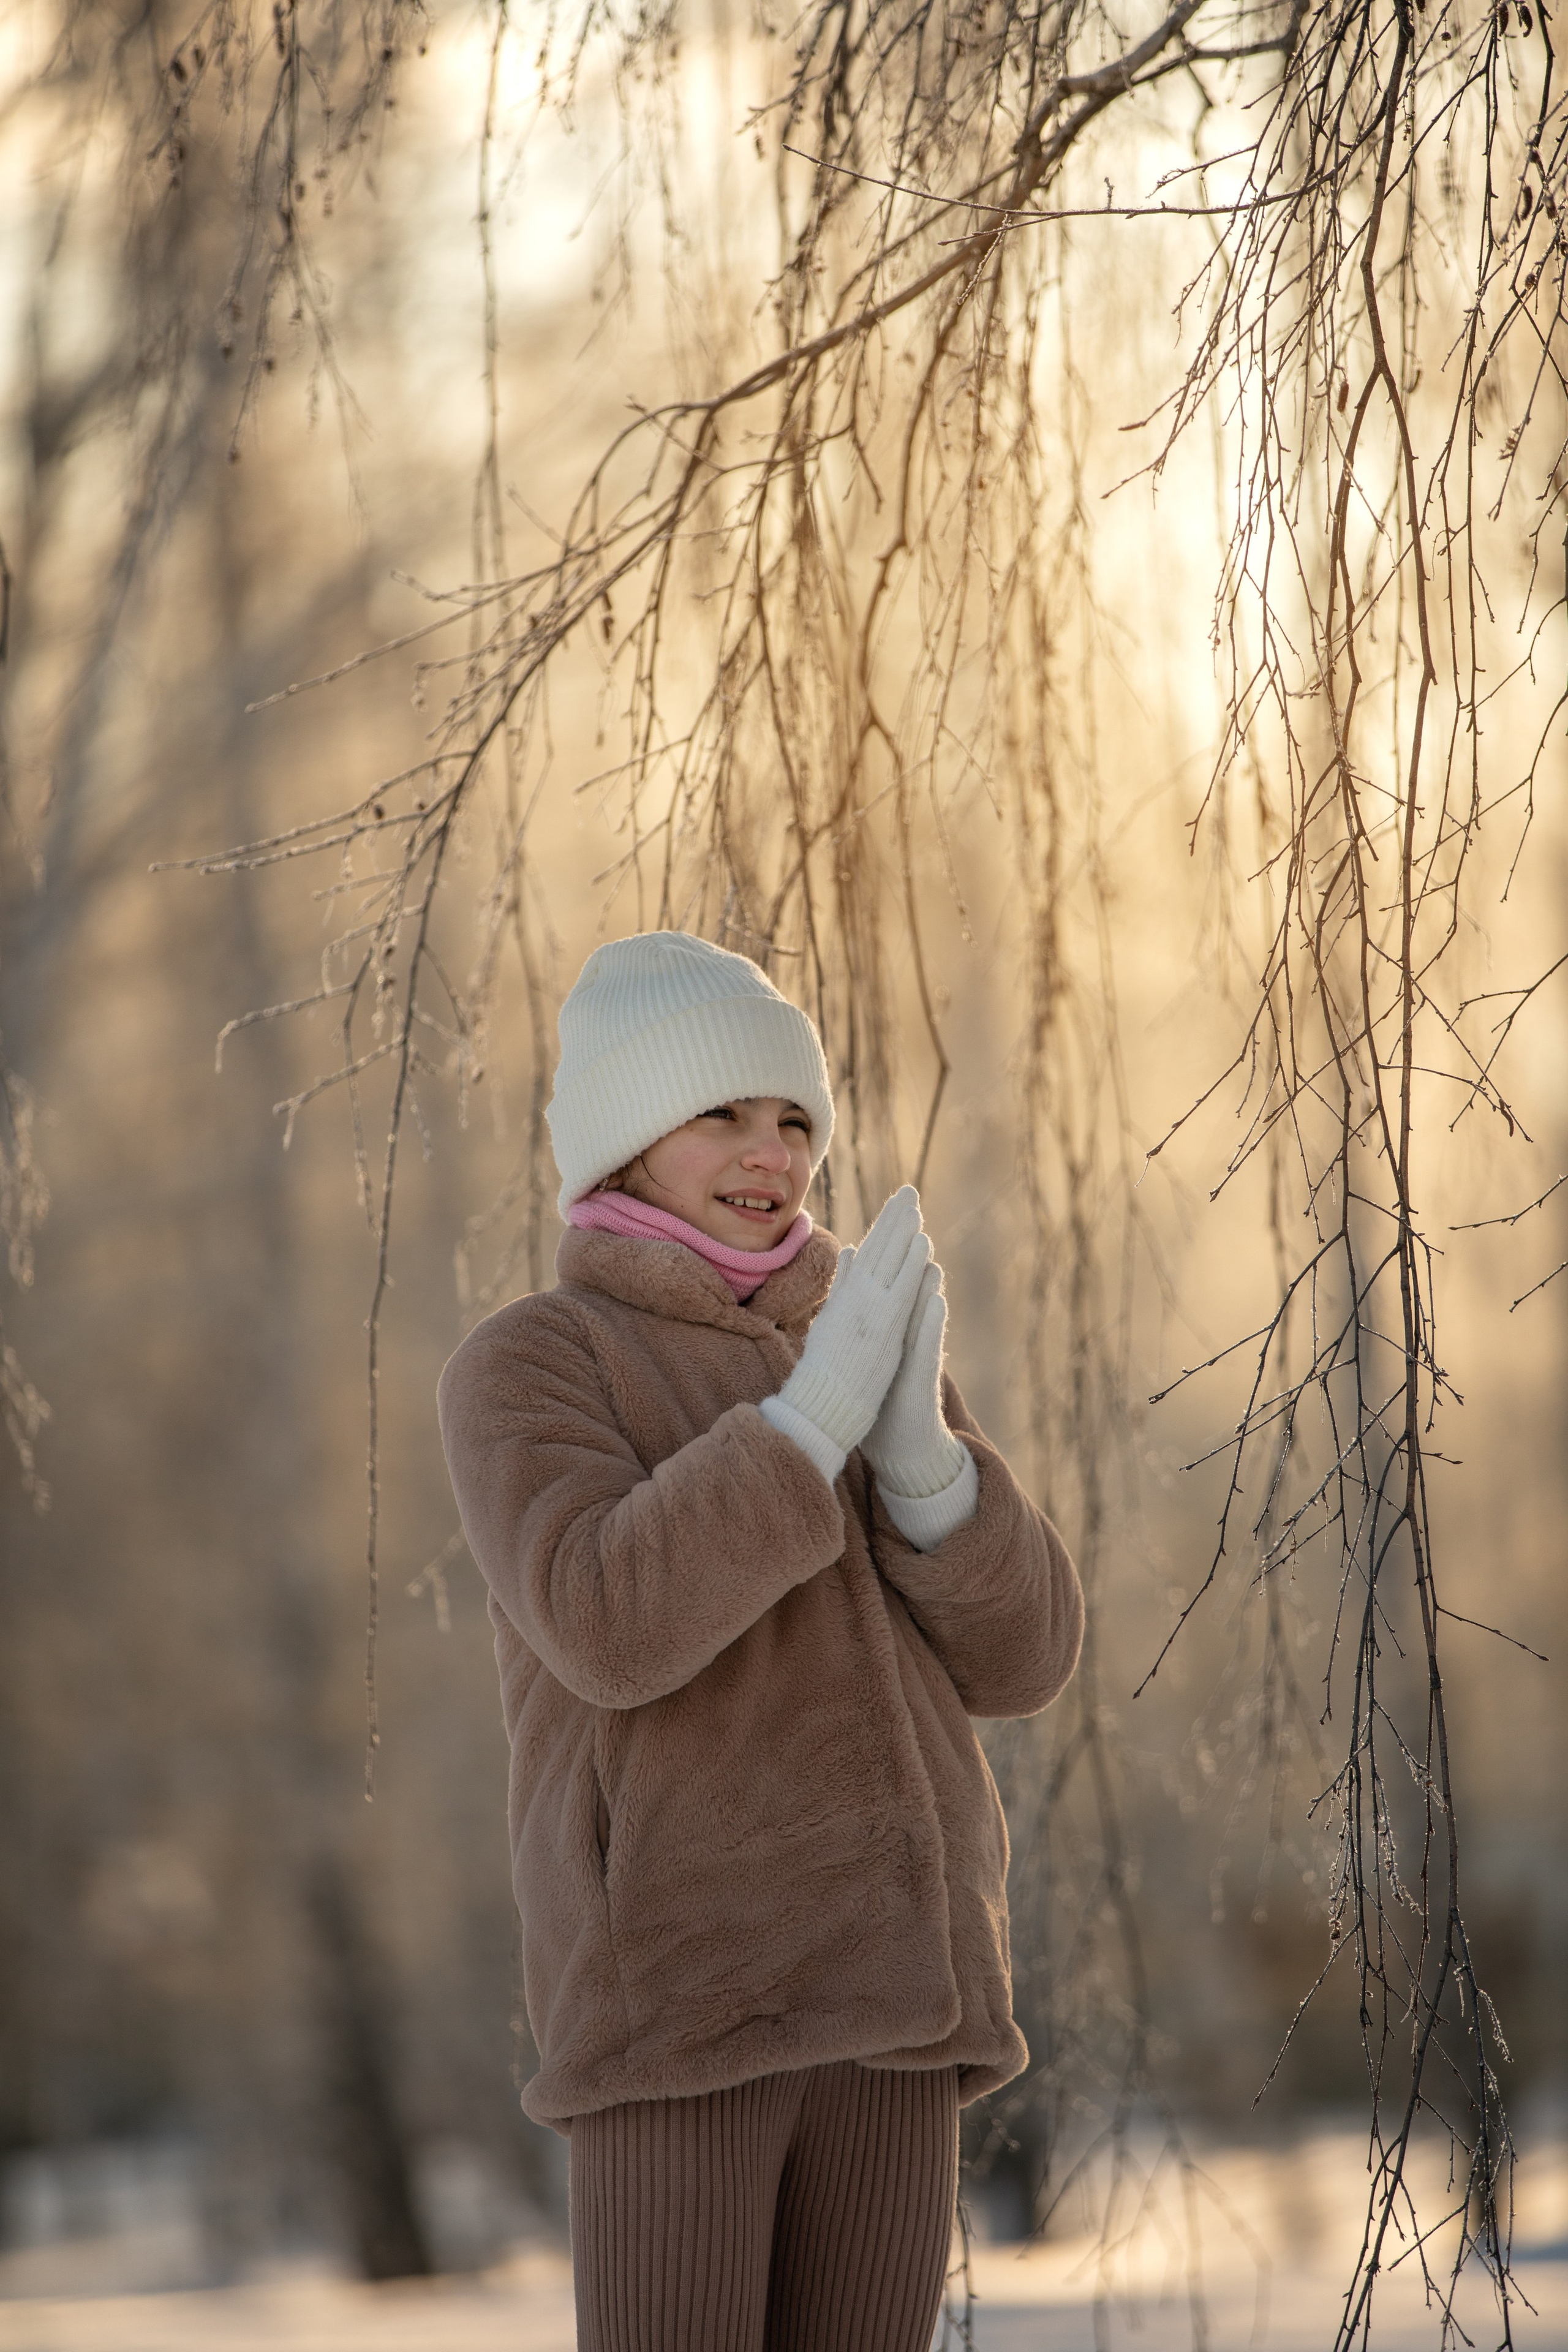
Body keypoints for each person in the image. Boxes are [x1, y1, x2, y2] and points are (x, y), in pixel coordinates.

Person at [437, 930, 1084, 2352]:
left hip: (899, 2000)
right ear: (621, 1141)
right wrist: (803, 1433)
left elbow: (1023, 1663)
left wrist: (921, 1460)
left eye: (793, 1119)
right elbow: (607, 1625)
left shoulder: (857, 1338)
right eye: (721, 1112)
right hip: (684, 2002)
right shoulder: (534, 1360)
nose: (769, 1151)